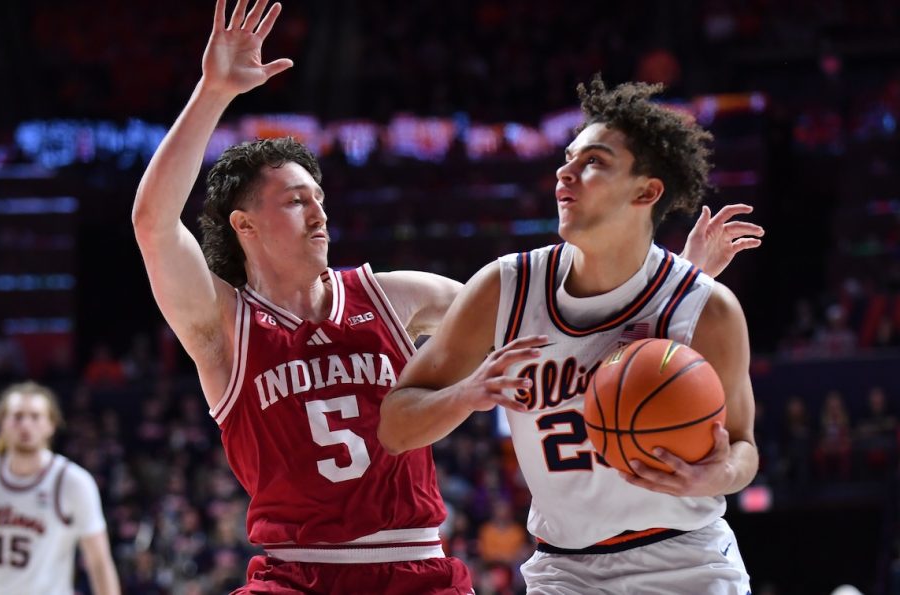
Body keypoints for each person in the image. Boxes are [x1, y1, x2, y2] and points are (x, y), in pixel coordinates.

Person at [132, 1, 760, 591]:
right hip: (296, 573)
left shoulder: (393, 296)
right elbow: (154, 224)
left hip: (415, 566)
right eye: (297, 201)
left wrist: (679, 283)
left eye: (320, 197)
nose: (319, 212)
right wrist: (214, 93)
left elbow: (550, 317)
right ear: (244, 226)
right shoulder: (226, 326)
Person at [380, 77, 760, 594]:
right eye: (567, 158)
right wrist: (465, 395)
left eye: (594, 162)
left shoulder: (707, 308)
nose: (565, 172)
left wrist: (715, 476)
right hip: (565, 570)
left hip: (687, 560)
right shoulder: (504, 288)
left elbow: (743, 450)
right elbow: (395, 427)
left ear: (647, 191)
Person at [0, 382, 119, 595]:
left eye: (35, 416)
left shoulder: (73, 482)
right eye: (18, 416)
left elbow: (98, 561)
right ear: (2, 423)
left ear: (51, 425)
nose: (25, 425)